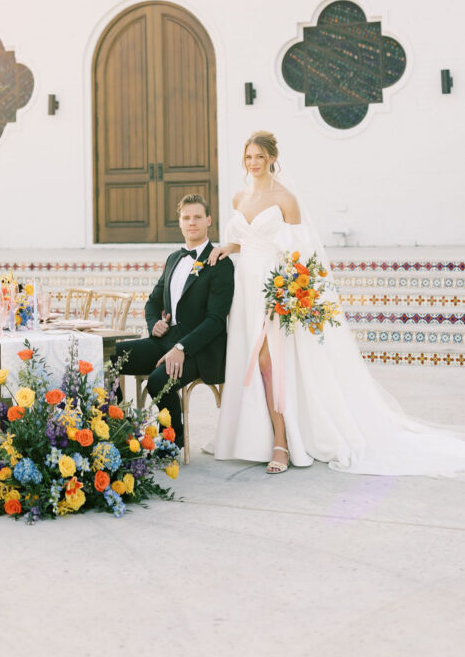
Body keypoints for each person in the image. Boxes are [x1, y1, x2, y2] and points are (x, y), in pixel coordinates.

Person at [207, 130, 465, 476]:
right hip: (245, 287)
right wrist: (227, 247)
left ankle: (282, 441)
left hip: (274, 287)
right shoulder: (239, 197)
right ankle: (253, 436)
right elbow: (244, 240)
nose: (253, 163)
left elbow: (303, 254)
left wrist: (289, 292)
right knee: (251, 361)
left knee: (270, 362)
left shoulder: (286, 198)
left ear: (271, 158)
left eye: (259, 156)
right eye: (248, 157)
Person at [116, 194, 234, 450]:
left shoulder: (220, 264)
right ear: (180, 222)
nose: (192, 223)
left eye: (197, 217)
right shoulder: (173, 259)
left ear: (209, 221)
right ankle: (118, 433)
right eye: (186, 217)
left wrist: (182, 349)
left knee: (159, 379)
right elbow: (152, 302)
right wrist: (154, 324)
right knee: (110, 360)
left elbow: (215, 321)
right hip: (165, 339)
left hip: (199, 350)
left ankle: (172, 440)